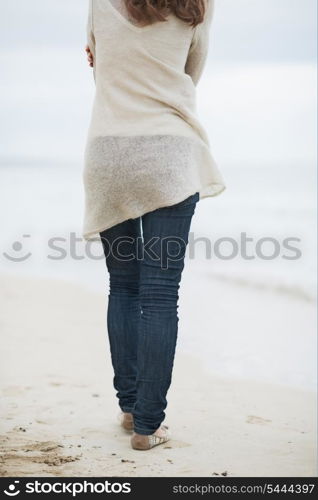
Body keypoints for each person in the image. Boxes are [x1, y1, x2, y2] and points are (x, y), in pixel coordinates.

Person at [83, 0, 225, 450]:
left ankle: (128, 406)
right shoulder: (196, 5)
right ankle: (147, 426)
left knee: (122, 286)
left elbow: (99, 64)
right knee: (160, 293)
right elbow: (190, 73)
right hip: (167, 152)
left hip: (110, 155)